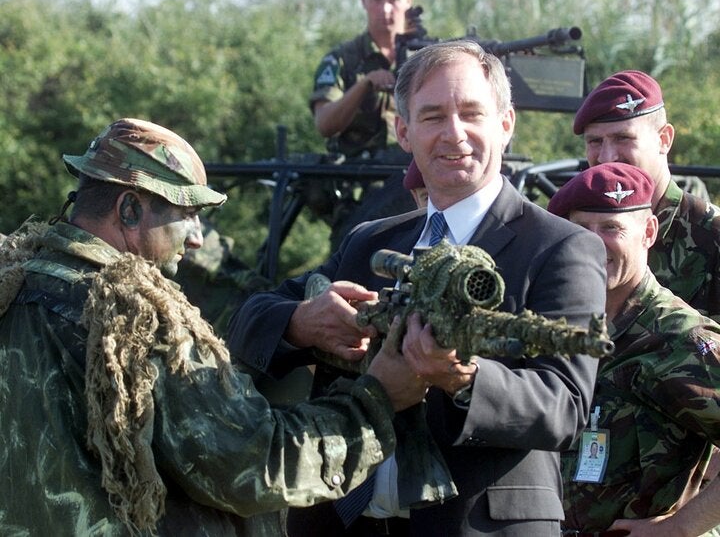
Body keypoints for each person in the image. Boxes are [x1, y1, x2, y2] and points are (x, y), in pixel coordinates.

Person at [229, 40, 607, 536]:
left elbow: (564, 407)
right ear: (403, 132)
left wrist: (463, 378)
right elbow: (247, 321)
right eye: (432, 117)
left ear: (506, 124)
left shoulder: (560, 246)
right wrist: (302, 324)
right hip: (343, 521)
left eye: (472, 113)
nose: (455, 133)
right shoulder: (371, 242)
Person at [0, 118, 428, 536]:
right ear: (129, 208)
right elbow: (256, 466)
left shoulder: (17, 282)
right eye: (188, 214)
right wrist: (376, 400)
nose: (198, 239)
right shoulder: (137, 319)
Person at [547, 162, 720, 536]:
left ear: (649, 232)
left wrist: (681, 527)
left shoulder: (679, 338)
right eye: (581, 229)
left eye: (611, 228)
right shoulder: (559, 327)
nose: (594, 243)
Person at [573, 70, 720, 321]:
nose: (607, 157)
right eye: (595, 141)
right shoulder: (574, 230)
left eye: (623, 138)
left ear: (664, 139)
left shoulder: (712, 236)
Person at [310, 0, 412, 160]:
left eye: (393, 0)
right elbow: (325, 124)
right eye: (377, 0)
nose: (385, 9)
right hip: (356, 178)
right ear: (363, 1)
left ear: (408, 1)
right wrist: (364, 85)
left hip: (412, 176)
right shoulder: (342, 59)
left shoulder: (424, 57)